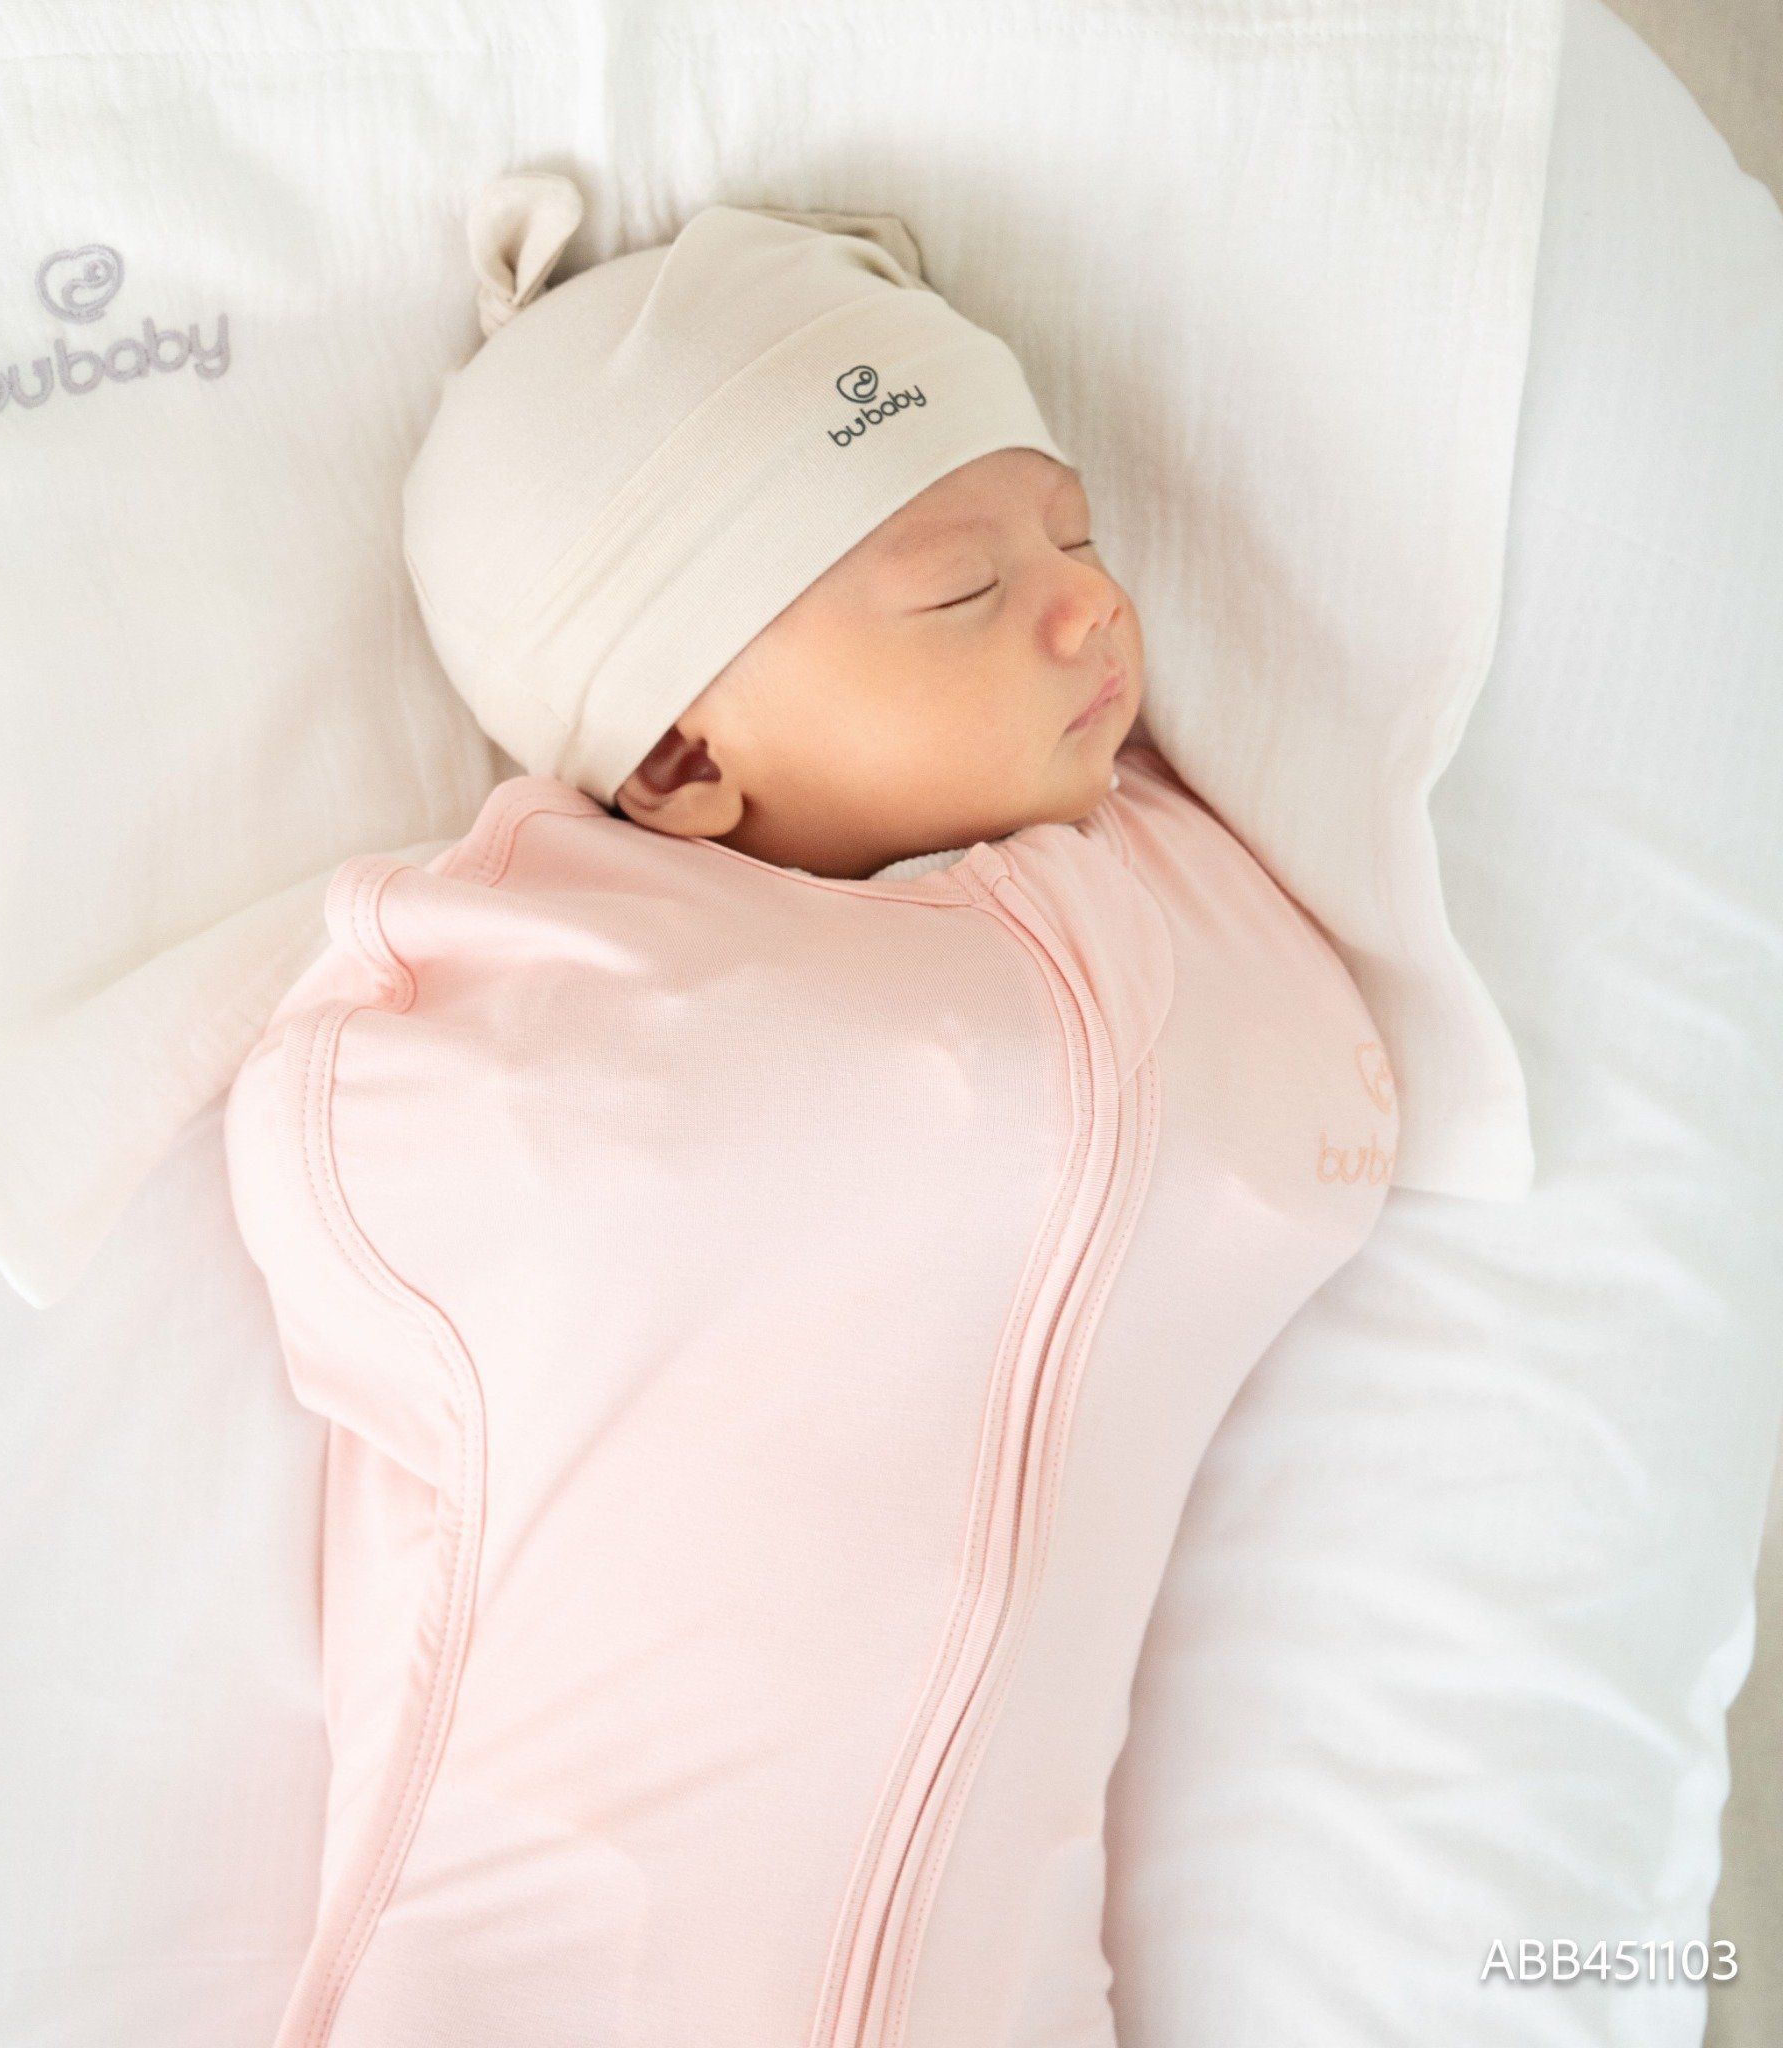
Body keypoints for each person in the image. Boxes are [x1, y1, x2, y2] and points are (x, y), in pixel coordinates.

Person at [223, 170, 1399, 2047]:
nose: (1094, 604)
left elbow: (1314, 1131)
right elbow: (351, 1135)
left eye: (1076, 534)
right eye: (964, 589)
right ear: (683, 760)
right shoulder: (574, 1007)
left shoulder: (1173, 903)